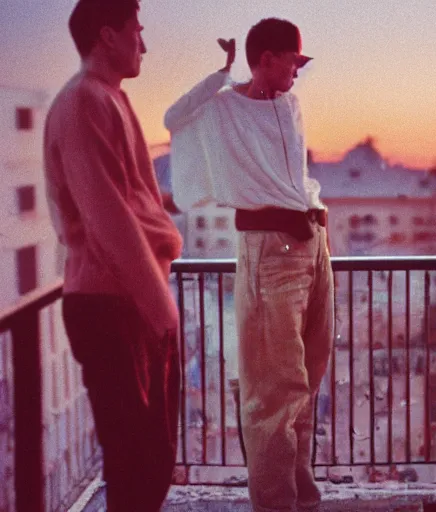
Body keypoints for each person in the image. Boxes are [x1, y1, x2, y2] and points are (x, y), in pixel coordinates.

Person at [165, 18, 334, 512]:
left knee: (307, 375)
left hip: (313, 242)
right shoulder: (224, 108)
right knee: (273, 390)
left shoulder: (291, 105)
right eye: (294, 61)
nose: (299, 72)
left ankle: (301, 498)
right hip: (269, 250)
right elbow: (174, 118)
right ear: (265, 59)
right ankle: (277, 505)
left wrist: (321, 238)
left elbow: (296, 179)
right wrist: (221, 74)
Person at [43, 1, 183, 510]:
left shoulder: (110, 99)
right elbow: (107, 217)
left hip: (129, 302)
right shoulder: (83, 103)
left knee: (152, 456)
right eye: (136, 32)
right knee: (135, 461)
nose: (143, 44)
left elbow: (132, 202)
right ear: (108, 36)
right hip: (111, 306)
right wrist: (161, 310)